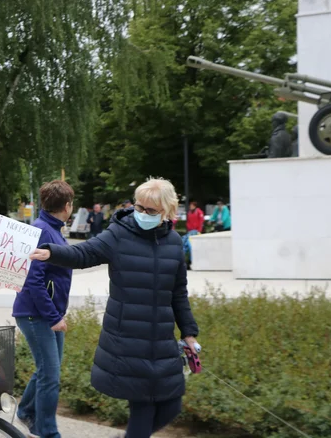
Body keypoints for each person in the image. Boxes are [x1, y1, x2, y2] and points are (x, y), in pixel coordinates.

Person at [31, 177, 200, 438]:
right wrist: (52, 252)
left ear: (167, 211)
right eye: (139, 207)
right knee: (143, 408)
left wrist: (188, 333)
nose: (142, 213)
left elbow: (178, 293)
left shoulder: (175, 243)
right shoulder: (119, 233)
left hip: (162, 342)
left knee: (171, 404)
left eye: (150, 210)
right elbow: (84, 253)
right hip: (128, 340)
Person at [13, 180, 75, 438]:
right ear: (68, 206)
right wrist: (53, 317)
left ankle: (26, 411)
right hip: (35, 314)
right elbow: (33, 280)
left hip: (47, 313)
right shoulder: (42, 231)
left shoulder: (51, 229)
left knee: (48, 370)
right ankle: (48, 432)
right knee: (50, 375)